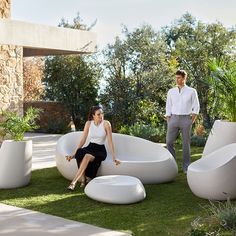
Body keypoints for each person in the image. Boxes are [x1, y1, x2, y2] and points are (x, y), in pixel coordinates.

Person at [66, 105, 120, 190]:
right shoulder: (88, 123)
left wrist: (114, 157)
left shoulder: (106, 124)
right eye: (98, 114)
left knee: (87, 156)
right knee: (80, 152)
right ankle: (83, 179)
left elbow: (110, 141)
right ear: (93, 115)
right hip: (90, 147)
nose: (101, 116)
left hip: (100, 150)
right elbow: (83, 140)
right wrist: (73, 154)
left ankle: (73, 182)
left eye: (102, 113)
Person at [165, 70, 200, 173]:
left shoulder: (192, 91)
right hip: (173, 119)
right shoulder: (171, 91)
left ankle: (186, 167)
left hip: (186, 119)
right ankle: (172, 165)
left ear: (184, 78)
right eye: (176, 77)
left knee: (186, 143)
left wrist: (191, 120)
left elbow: (196, 106)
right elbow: (168, 105)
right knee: (169, 142)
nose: (177, 79)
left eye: (179, 78)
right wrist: (168, 118)